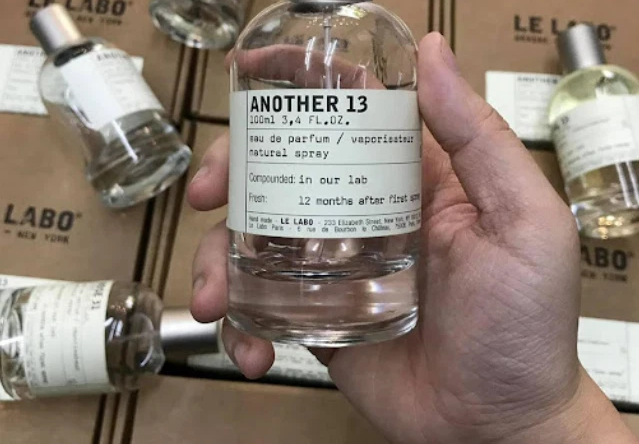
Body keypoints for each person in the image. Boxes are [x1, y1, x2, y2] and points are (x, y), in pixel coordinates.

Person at [187, 32, 638, 444]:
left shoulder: (387, 35)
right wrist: (543, 423)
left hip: (396, 304)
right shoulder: (281, 30)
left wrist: (537, 419)